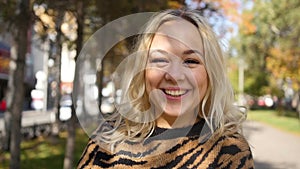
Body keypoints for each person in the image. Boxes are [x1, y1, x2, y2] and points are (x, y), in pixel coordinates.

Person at [77, 9, 254, 169]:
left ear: (210, 72)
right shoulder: (108, 139)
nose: (174, 75)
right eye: (160, 60)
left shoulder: (229, 149)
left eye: (191, 61)